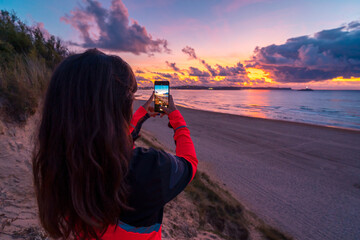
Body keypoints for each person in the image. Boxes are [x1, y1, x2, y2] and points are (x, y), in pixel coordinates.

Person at [32, 49, 198, 239]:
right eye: (130, 97)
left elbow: (107, 138)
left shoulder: (60, 159)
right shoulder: (148, 168)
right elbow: (189, 162)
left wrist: (142, 113)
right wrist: (175, 117)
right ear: (117, 107)